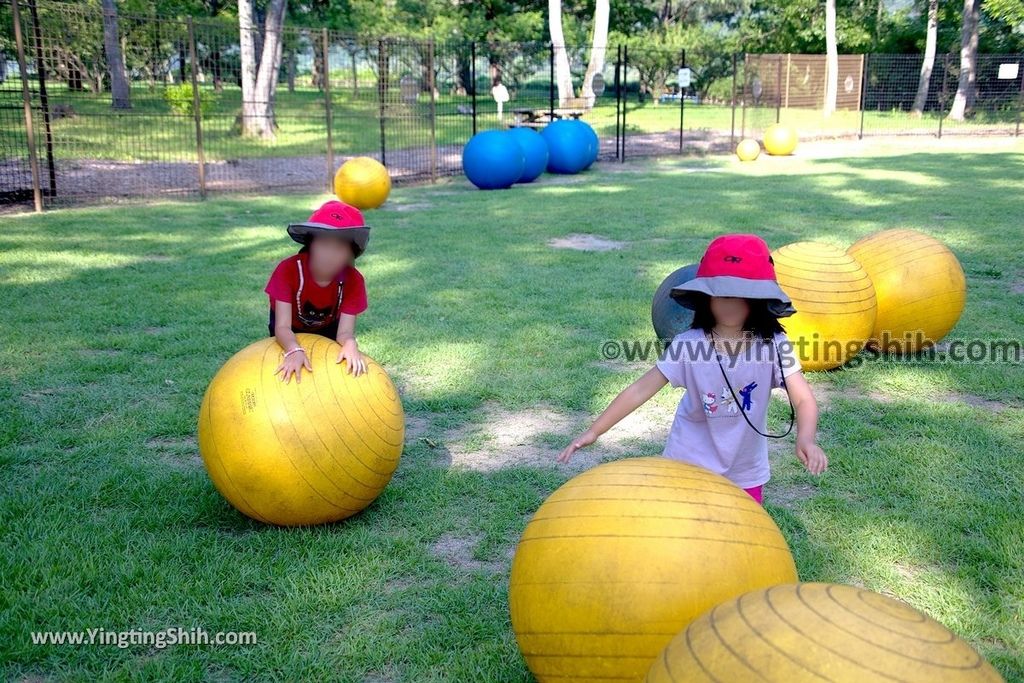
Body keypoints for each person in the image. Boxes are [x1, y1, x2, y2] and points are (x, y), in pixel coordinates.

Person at [558, 234, 827, 504]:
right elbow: (640, 390)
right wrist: (595, 431)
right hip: (687, 463)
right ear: (705, 297)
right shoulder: (688, 344)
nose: (728, 303)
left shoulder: (774, 345)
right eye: (719, 294)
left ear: (757, 298)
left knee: (738, 541)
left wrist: (806, 439)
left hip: (745, 470)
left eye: (739, 295)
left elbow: (803, 398)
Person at [265, 200, 370, 383]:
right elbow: (282, 327)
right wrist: (293, 349)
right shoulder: (287, 270)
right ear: (311, 244)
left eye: (339, 248)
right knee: (285, 371)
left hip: (328, 329)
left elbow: (344, 333)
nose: (329, 254)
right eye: (323, 243)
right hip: (288, 326)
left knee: (324, 373)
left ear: (351, 254)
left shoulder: (354, 281)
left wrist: (350, 344)